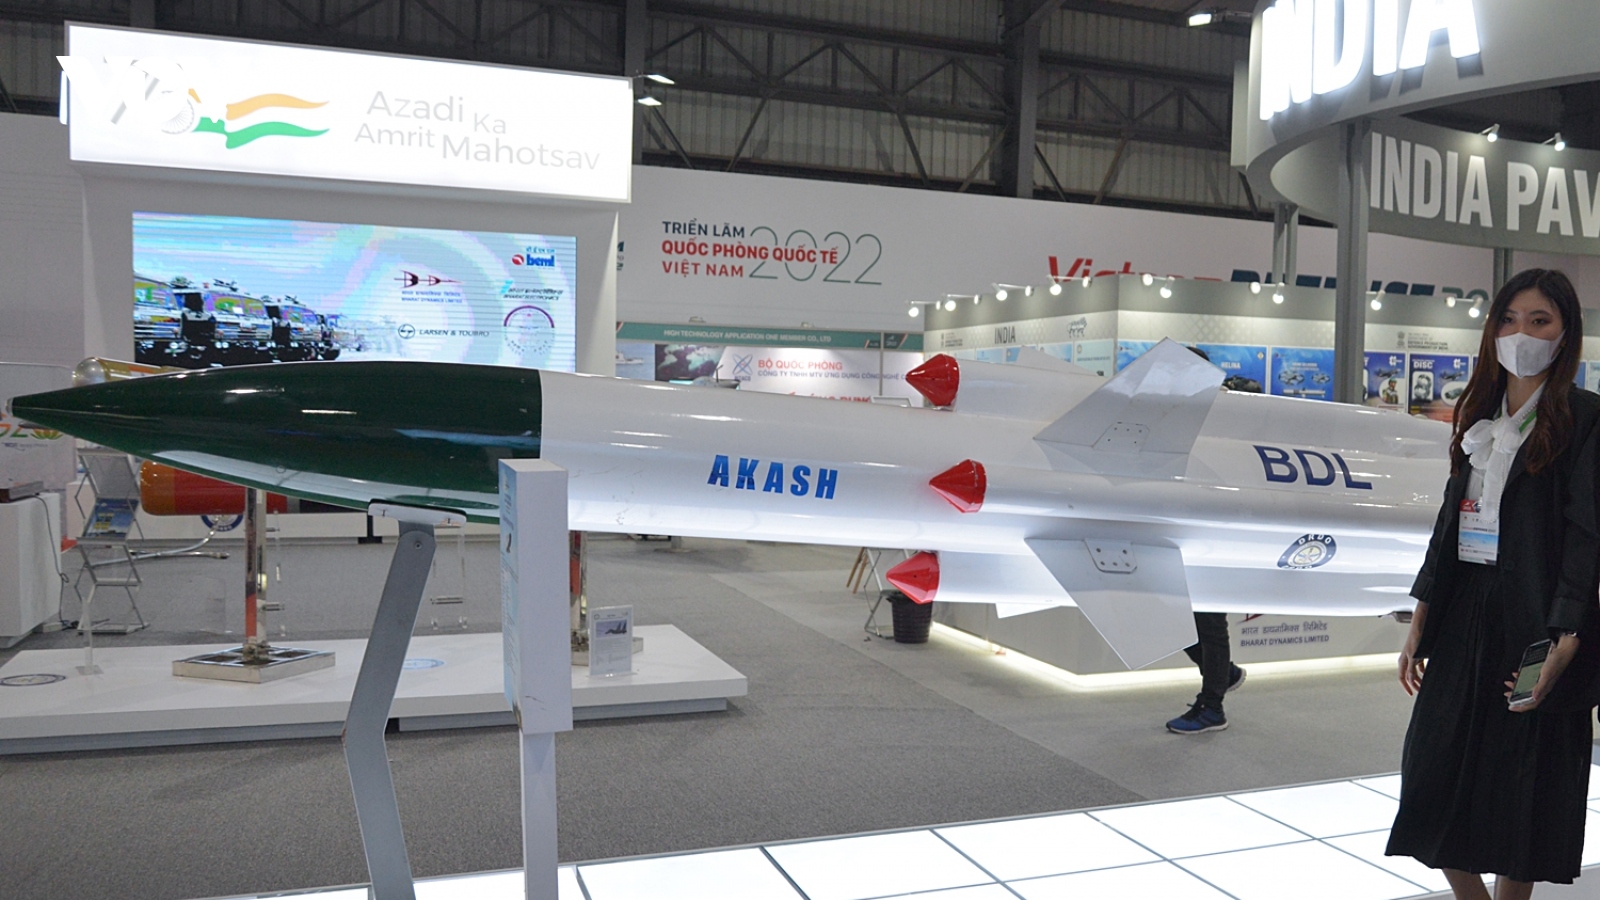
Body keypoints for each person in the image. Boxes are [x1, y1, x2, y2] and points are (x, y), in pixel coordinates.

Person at [1387, 268, 1600, 899]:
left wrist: (1567, 633)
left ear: (1565, 333)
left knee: (1525, 781)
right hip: (1465, 612)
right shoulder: (1478, 412)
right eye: (1509, 319)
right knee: (1432, 771)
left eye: (1539, 321)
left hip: (1539, 618)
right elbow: (1449, 521)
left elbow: (1587, 535)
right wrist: (1422, 615)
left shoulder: (1586, 418)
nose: (1520, 333)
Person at [1166, 344, 1250, 735]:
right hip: (1184, 525)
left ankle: (1213, 706)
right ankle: (1223, 674)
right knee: (1171, 620)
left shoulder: (1223, 415)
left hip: (1214, 529)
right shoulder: (1181, 412)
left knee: (1210, 622)